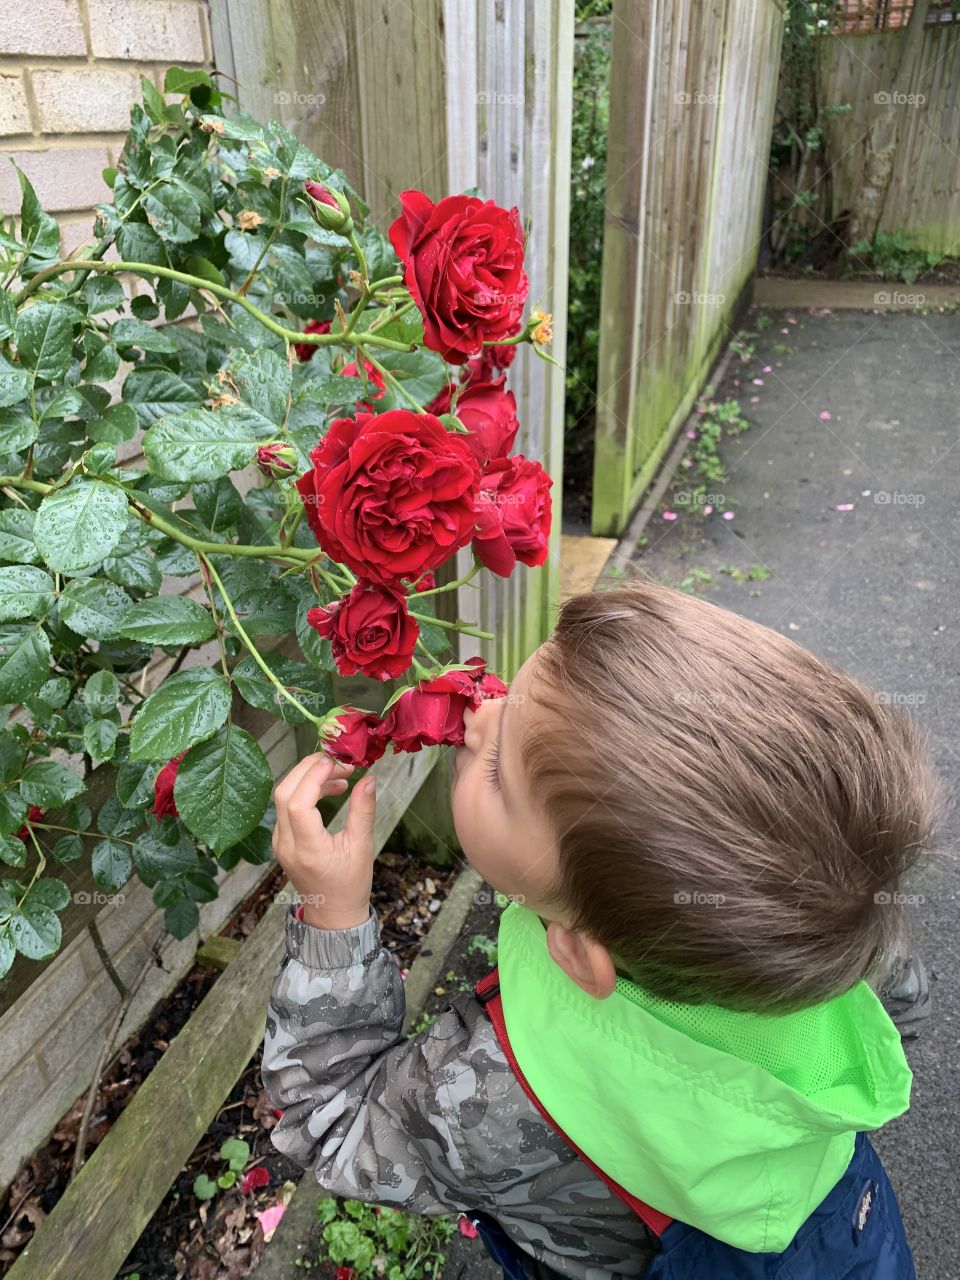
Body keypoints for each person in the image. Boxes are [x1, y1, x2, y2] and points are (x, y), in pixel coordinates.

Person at [260, 580, 946, 1279]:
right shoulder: (836, 942)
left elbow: (336, 1116)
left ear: (581, 956)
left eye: (499, 772)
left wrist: (332, 915)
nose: (481, 714)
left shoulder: (490, 1094)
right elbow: (905, 1012)